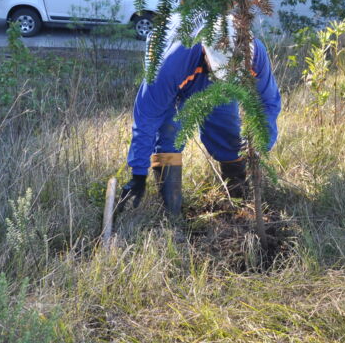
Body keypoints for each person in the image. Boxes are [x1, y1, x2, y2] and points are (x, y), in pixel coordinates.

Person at [119, 17, 282, 215]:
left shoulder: (254, 54)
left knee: (227, 130)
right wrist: (138, 172)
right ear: (206, 52)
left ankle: (237, 199)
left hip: (204, 72)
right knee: (168, 132)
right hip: (171, 57)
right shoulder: (170, 65)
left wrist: (260, 144)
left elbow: (268, 102)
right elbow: (147, 117)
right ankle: (172, 213)